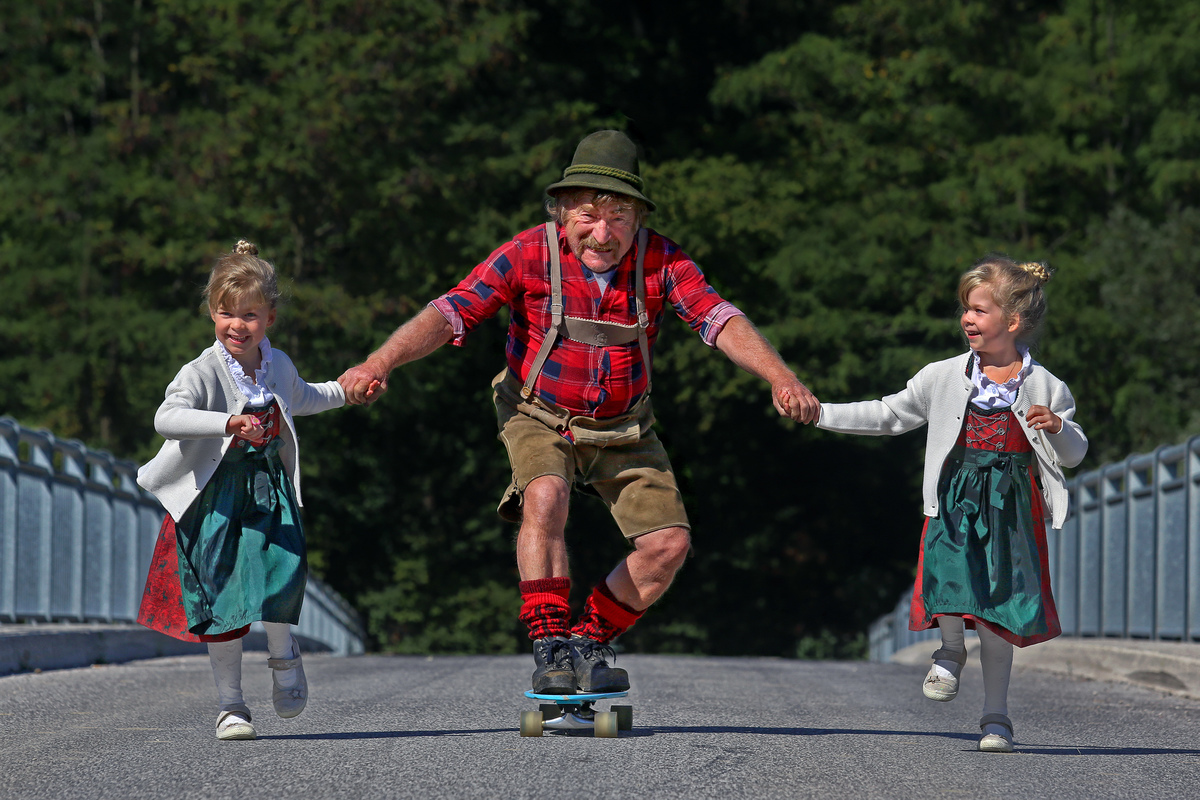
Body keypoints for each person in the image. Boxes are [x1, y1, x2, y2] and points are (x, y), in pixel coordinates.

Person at [339, 130, 818, 693]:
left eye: (619, 216)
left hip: (625, 424)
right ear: (561, 210)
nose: (603, 232)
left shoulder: (663, 260)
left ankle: (588, 641)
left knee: (669, 545)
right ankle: (549, 644)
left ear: (638, 218)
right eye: (589, 214)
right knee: (546, 494)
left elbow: (718, 318)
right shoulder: (527, 253)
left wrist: (781, 377)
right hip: (537, 411)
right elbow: (452, 311)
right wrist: (380, 361)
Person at [805, 255, 1087, 752]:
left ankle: (996, 718)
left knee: (999, 617)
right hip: (956, 502)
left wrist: (1059, 427)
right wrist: (821, 412)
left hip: (1011, 514)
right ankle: (951, 649)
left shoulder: (1046, 386)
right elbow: (890, 414)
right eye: (966, 309)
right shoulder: (943, 376)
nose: (967, 319)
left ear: (1013, 321)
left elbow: (1075, 453)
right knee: (949, 575)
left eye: (978, 310)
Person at [136, 240, 348, 740]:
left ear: (269, 317)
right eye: (226, 313)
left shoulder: (278, 365)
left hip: (267, 490)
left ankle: (284, 658)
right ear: (212, 313)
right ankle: (231, 706)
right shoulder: (202, 370)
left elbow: (306, 398)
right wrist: (228, 422)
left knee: (284, 573)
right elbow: (166, 417)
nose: (237, 325)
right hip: (215, 501)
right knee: (221, 598)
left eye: (249, 315)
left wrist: (348, 391)